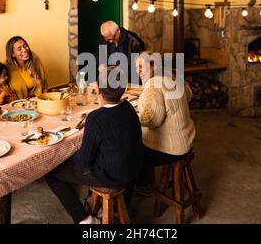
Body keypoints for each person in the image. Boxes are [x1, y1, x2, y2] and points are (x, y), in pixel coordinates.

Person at [45, 66, 143, 224]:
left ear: (97, 90)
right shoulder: (129, 107)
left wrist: (70, 153)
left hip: (111, 175)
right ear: (124, 88)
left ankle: (84, 219)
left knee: (50, 172)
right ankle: (108, 207)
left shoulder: (96, 118)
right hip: (132, 169)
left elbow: (84, 161)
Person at [134, 51, 195, 192]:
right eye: (137, 67)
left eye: (142, 67)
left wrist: (135, 115)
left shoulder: (154, 85)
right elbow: (189, 94)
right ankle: (144, 183)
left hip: (173, 149)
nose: (138, 71)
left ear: (154, 66)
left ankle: (142, 187)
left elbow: (153, 120)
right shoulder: (172, 76)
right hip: (187, 139)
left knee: (131, 148)